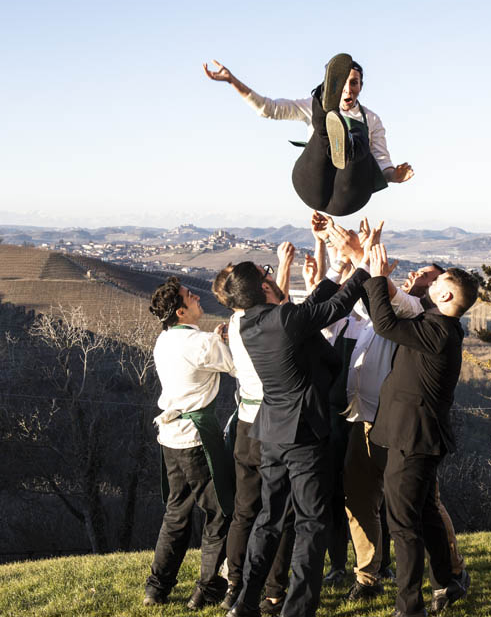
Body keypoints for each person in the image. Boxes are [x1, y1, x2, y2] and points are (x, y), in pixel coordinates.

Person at [221, 256, 370, 617]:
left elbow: (313, 307)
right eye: (265, 276)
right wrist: (365, 268)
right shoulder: (284, 320)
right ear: (261, 288)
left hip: (270, 432)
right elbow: (334, 308)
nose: (271, 278)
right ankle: (298, 609)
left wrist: (336, 269)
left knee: (269, 519)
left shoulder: (247, 324)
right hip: (302, 434)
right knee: (311, 522)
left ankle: (246, 601)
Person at [364, 246, 480, 617]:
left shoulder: (438, 332)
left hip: (411, 441)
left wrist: (378, 277)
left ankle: (409, 608)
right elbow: (393, 315)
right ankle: (448, 582)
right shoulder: (440, 327)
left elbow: (384, 324)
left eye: (438, 281)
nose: (428, 283)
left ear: (445, 295)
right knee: (426, 513)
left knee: (403, 525)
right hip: (419, 438)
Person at [203, 53, 414, 216]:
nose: (348, 89)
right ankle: (328, 115)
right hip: (312, 185)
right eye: (342, 83)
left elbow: (382, 163)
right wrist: (232, 80)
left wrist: (394, 176)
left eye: (354, 82)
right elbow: (269, 109)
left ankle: (347, 142)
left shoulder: (372, 119)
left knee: (359, 136)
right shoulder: (309, 107)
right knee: (321, 122)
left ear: (361, 86)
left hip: (348, 197)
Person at [213, 243, 298, 615]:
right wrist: (283, 268)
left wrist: (280, 269)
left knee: (245, 510)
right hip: (272, 422)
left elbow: (273, 301)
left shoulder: (235, 323)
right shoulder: (268, 323)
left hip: (245, 425)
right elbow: (280, 307)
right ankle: (274, 591)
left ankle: (235, 584)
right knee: (279, 510)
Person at [143, 277, 236, 610]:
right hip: (198, 438)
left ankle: (157, 588)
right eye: (190, 296)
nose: (197, 297)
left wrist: (216, 337)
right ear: (181, 311)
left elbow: (200, 353)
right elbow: (237, 366)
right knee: (219, 512)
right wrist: (229, 338)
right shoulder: (201, 344)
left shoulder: (164, 340)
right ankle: (208, 590)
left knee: (177, 513)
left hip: (170, 437)